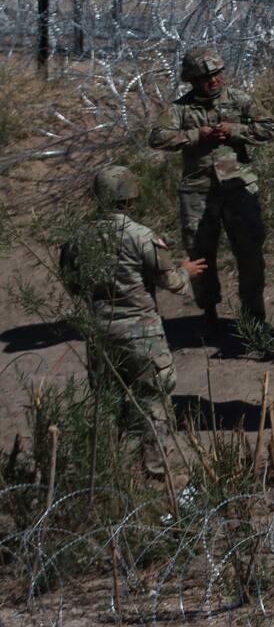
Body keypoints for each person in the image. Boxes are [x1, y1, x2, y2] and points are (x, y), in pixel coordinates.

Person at [59, 167, 206, 478]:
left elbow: (72, 285)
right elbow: (174, 284)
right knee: (154, 400)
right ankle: (154, 470)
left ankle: (105, 466)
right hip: (142, 334)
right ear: (131, 197)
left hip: (100, 332)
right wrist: (186, 271)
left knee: (106, 402)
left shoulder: (77, 239)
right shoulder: (141, 237)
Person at [148, 45, 274, 331]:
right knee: (199, 253)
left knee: (249, 252)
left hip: (238, 187)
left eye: (217, 74)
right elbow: (157, 138)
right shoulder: (181, 108)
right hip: (198, 190)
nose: (213, 81)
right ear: (192, 80)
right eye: (206, 77)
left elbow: (269, 127)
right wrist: (197, 135)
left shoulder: (239, 100)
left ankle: (254, 318)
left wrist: (235, 130)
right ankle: (208, 312)